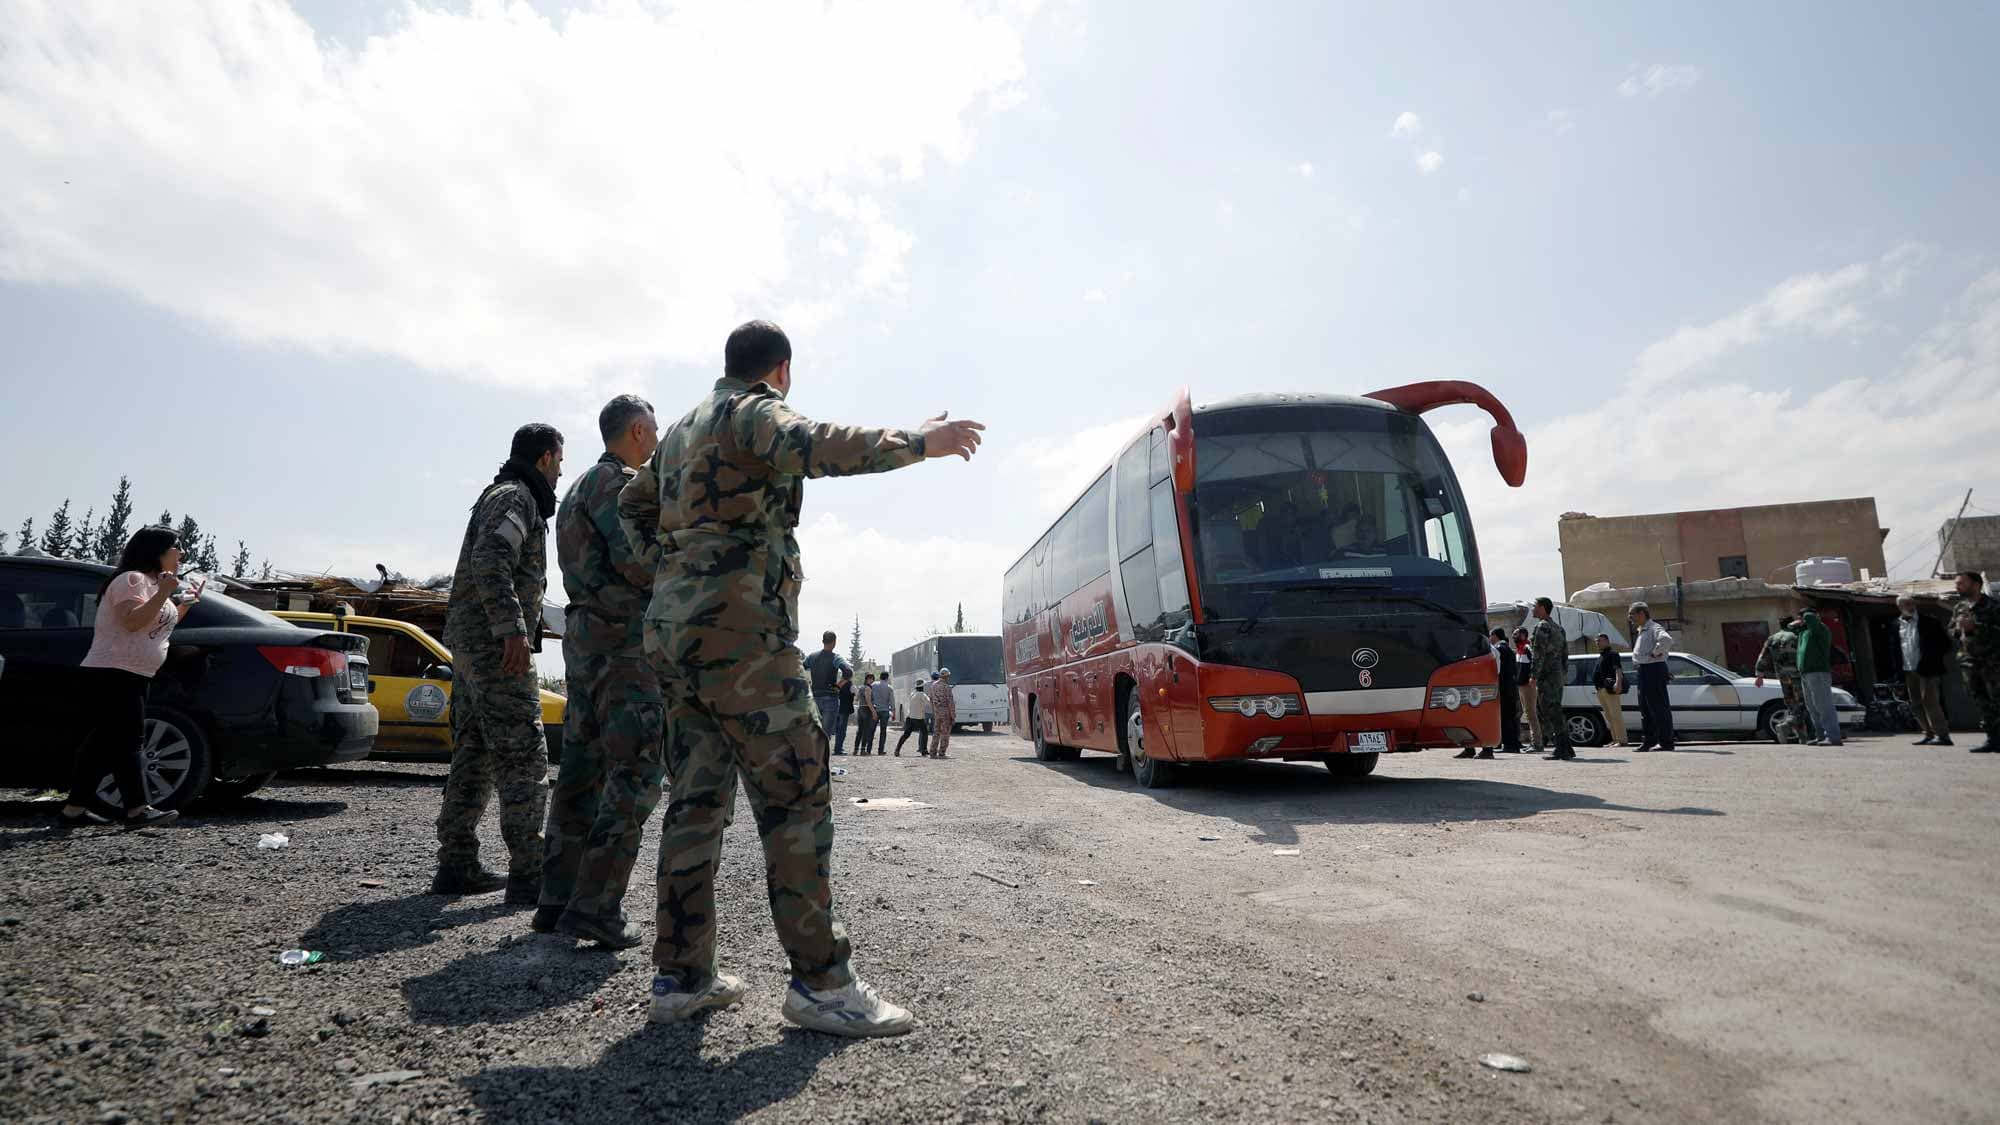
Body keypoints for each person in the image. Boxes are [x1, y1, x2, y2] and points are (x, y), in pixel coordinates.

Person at [617, 318, 984, 1035]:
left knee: (695, 803)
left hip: (675, 637)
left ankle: (680, 976)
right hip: (742, 638)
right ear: (780, 370)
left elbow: (633, 506)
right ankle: (820, 981)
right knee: (796, 798)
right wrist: (919, 442)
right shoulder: (751, 411)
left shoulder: (682, 431)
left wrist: (675, 569)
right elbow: (815, 444)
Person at [536, 396, 667, 949]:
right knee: (636, 770)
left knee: (582, 769)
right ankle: (595, 906)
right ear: (638, 430)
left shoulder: (577, 487)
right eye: (655, 430)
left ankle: (558, 898)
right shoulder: (618, 485)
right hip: (623, 641)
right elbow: (638, 560)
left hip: (586, 639)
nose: (658, 438)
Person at [433, 423, 563, 904]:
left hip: (471, 645)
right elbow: (492, 558)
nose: (561, 473)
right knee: (523, 754)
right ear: (547, 458)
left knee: (474, 751)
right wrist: (510, 628)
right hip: (493, 647)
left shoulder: (503, 495)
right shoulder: (516, 498)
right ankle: (529, 873)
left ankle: (457, 863)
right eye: (560, 462)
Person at [57, 526, 197, 828]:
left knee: (104, 744)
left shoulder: (152, 584)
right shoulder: (130, 580)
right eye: (176, 547)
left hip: (134, 673)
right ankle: (136, 810)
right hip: (113, 671)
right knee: (128, 742)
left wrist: (183, 603)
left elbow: (156, 625)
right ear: (157, 551)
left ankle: (73, 811)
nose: (182, 553)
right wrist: (164, 592)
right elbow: (133, 622)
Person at [1951, 571, 2000, 753]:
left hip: (1993, 663)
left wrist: (1976, 627)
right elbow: (1952, 631)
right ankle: (1993, 739)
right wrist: (1957, 629)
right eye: (1957, 584)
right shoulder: (1959, 608)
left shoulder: (1993, 605)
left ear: (1976, 585)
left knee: (1997, 700)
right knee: (1981, 702)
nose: (1957, 587)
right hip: (1969, 663)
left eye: (1961, 583)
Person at [1897, 596, 1954, 747]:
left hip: (1927, 669)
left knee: (1930, 701)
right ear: (1899, 607)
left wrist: (1932, 658)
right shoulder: (1897, 624)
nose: (1910, 606)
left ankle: (1942, 735)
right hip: (1908, 669)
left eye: (1911, 603)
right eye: (1906, 604)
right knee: (1916, 703)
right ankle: (1928, 733)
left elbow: (1946, 645)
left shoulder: (1930, 622)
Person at [1753, 618, 1811, 743]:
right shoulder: (1796, 636)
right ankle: (1786, 727)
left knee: (1792, 706)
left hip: (1783, 677)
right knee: (1802, 705)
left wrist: (1759, 676)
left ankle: (1802, 737)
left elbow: (1762, 657)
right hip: (1797, 676)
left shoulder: (1772, 638)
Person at [1629, 601, 1675, 753]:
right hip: (1644, 671)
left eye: (1632, 614)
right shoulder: (1642, 630)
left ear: (1642, 613)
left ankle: (1666, 742)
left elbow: (1666, 640)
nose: (1630, 617)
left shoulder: (1654, 627)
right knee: (1645, 709)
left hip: (1653, 670)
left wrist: (1655, 653)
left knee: (1659, 708)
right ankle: (1649, 741)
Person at [1532, 598, 1574, 760]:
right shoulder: (1559, 628)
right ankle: (1567, 747)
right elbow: (1565, 655)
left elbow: (1538, 654)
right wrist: (1563, 673)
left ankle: (1561, 748)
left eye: (1535, 606)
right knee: (1556, 709)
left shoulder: (1543, 627)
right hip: (1557, 675)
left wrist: (1533, 675)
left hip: (1547, 675)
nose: (1533, 609)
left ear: (1542, 608)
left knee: (1549, 711)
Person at [1794, 607, 1842, 747]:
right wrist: (1798, 623)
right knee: (1812, 707)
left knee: (1824, 705)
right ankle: (1820, 735)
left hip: (1818, 672)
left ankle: (1832, 736)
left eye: (1802, 617)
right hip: (1806, 673)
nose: (1800, 620)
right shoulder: (1804, 632)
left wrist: (1807, 616)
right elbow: (1791, 628)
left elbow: (1810, 618)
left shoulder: (1820, 629)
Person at [1458, 629, 1508, 759]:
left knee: (1482, 717)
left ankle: (1487, 749)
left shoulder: (1489, 650)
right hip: (1470, 687)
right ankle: (1469, 748)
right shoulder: (1470, 648)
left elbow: (1495, 669)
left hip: (1482, 687)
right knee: (1467, 718)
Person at [801, 631, 850, 754]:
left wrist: (807, 684)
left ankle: (812, 760)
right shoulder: (836, 658)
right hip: (830, 697)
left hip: (814, 698)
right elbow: (848, 673)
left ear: (823, 641)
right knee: (825, 735)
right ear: (834, 642)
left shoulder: (812, 657)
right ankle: (823, 763)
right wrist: (838, 686)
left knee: (813, 732)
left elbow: (800, 668)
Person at [1592, 633, 1628, 745]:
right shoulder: (1601, 655)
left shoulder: (1613, 654)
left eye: (1600, 640)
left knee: (1615, 715)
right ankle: (1615, 739)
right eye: (1597, 641)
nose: (1598, 643)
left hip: (1610, 689)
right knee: (1609, 716)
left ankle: (1622, 740)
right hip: (1600, 690)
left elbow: (1618, 669)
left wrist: (1618, 683)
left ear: (1607, 641)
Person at [1513, 627, 1542, 750]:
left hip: (1528, 686)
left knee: (1531, 714)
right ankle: (1533, 742)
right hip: (1521, 686)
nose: (1514, 636)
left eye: (1517, 634)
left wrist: (1533, 678)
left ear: (1524, 635)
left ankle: (1537, 743)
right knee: (1528, 714)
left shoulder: (1527, 648)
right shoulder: (1518, 650)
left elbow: (1536, 663)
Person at [926, 668, 958, 759]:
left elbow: (931, 700)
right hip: (945, 714)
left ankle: (932, 752)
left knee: (936, 733)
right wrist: (953, 716)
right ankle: (942, 753)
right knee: (945, 733)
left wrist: (934, 711)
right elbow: (950, 703)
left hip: (937, 712)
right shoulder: (946, 687)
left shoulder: (933, 686)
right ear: (947, 676)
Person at [895, 676, 931, 757]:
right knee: (924, 733)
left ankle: (897, 749)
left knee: (906, 734)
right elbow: (929, 703)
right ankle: (924, 750)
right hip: (919, 718)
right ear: (923, 686)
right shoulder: (922, 694)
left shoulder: (912, 693)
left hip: (910, 717)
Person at [868, 673, 894, 754]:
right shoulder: (889, 687)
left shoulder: (873, 685)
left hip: (875, 710)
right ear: (887, 678)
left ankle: (868, 749)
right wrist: (894, 711)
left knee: (872, 730)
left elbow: (870, 697)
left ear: (880, 677)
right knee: (883, 731)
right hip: (885, 710)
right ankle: (880, 750)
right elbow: (892, 701)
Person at [854, 674, 878, 756]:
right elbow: (868, 701)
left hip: (860, 709)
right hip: (867, 709)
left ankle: (856, 749)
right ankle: (863, 749)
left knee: (860, 730)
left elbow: (856, 699)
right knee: (866, 730)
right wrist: (873, 712)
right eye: (872, 679)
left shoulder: (861, 688)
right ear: (869, 679)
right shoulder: (868, 688)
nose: (872, 681)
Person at [835, 671, 856, 754]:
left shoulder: (838, 684)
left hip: (836, 709)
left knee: (837, 729)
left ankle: (837, 748)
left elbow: (833, 693)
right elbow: (855, 694)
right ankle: (838, 749)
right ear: (850, 677)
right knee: (842, 730)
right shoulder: (851, 685)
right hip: (845, 709)